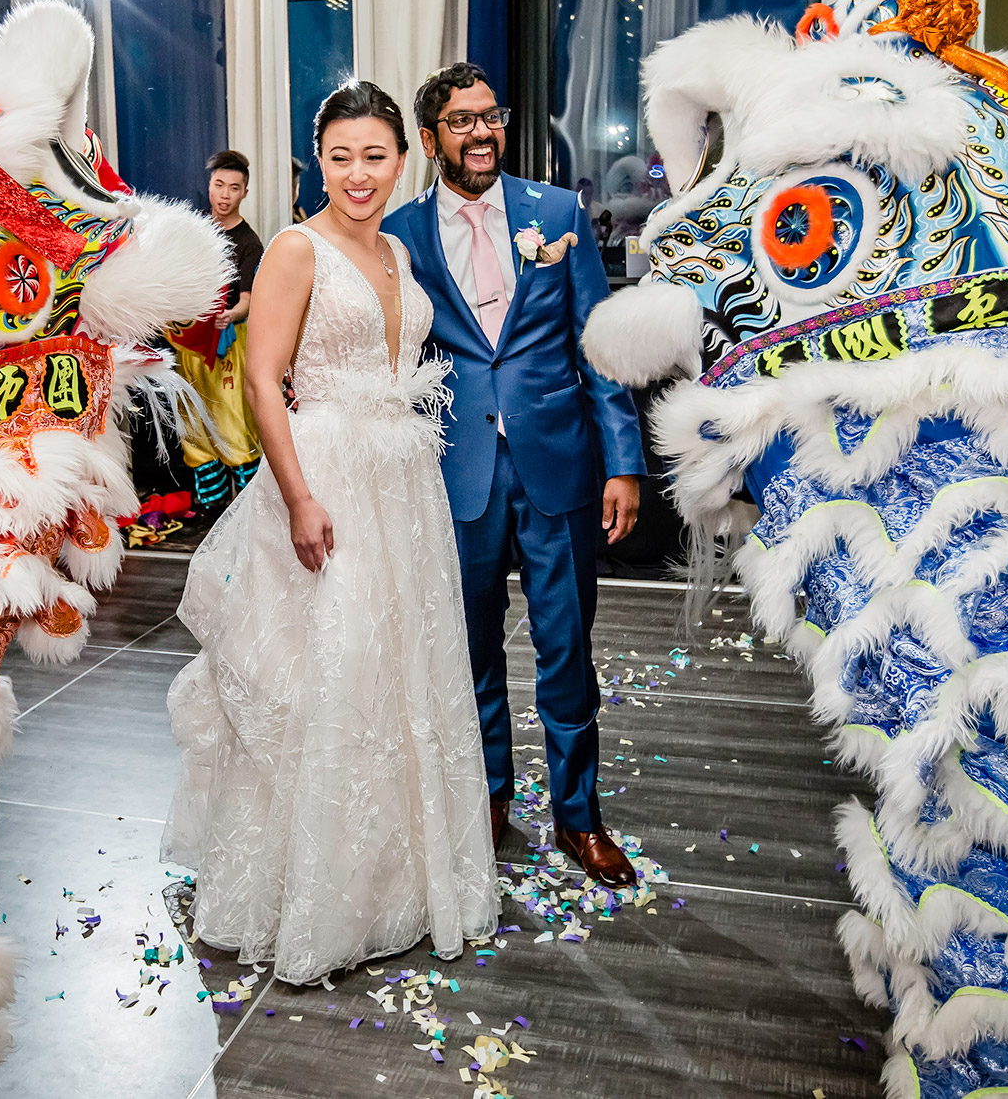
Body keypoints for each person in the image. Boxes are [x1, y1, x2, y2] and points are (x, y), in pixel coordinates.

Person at [165, 83, 498, 985]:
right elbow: (265, 379)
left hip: (404, 481)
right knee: (332, 676)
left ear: (405, 159)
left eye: (376, 156)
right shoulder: (293, 248)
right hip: (330, 477)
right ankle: (321, 894)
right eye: (341, 156)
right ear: (317, 162)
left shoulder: (395, 246)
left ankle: (404, 879)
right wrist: (301, 496)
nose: (359, 173)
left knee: (401, 679)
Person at [384, 62, 647, 888]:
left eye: (489, 116)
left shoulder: (557, 212)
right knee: (470, 654)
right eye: (460, 122)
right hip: (455, 473)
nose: (481, 133)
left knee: (568, 649)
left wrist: (625, 463)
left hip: (559, 467)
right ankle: (487, 801)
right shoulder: (401, 234)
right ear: (430, 140)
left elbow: (599, 345)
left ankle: (579, 815)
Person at [164, 150, 264, 512]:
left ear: (244, 193)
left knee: (232, 426)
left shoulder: (249, 243)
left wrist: (231, 314)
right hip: (190, 346)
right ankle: (212, 508)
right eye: (219, 185)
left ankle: (250, 513)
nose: (224, 194)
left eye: (233, 188)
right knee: (193, 426)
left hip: (227, 348)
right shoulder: (195, 232)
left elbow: (248, 301)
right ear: (209, 185)